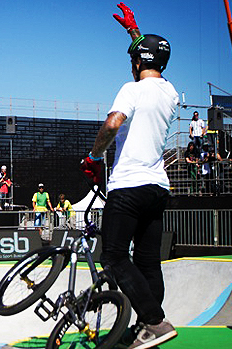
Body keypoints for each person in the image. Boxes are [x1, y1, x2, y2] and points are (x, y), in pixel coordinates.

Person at [80, 4, 178, 348]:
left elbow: (112, 124)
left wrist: (94, 156)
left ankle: (155, 321)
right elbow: (151, 61)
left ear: (137, 63)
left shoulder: (131, 90)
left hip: (129, 185)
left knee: (115, 256)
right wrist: (134, 34)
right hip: (158, 187)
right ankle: (145, 329)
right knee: (149, 260)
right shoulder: (170, 93)